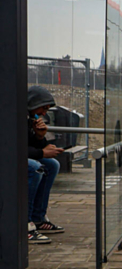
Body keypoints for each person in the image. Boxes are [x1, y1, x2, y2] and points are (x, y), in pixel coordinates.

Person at [27, 85, 64, 244]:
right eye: (43, 108)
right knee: (34, 168)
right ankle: (24, 224)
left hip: (19, 155)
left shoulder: (29, 119)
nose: (44, 113)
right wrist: (42, 153)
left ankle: (38, 218)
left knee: (52, 164)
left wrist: (39, 136)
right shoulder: (13, 115)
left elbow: (29, 145)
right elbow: (13, 148)